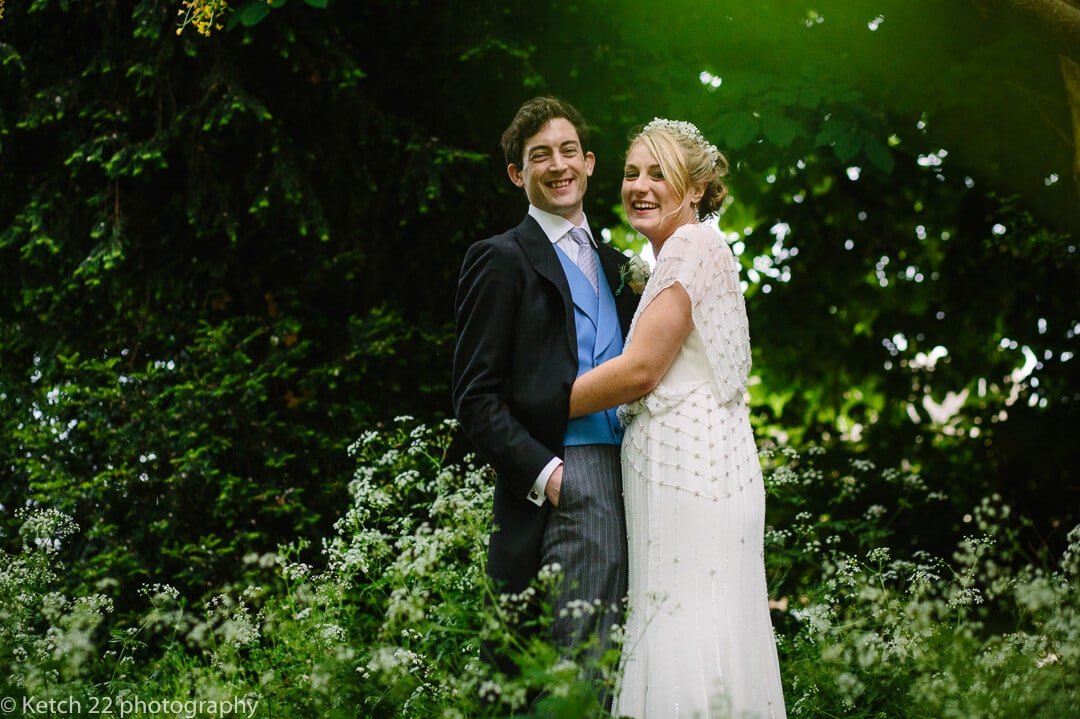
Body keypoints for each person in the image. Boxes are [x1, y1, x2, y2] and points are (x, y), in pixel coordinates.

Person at [568, 119, 787, 718]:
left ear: (694, 189)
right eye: (632, 172)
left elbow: (641, 370)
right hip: (689, 471)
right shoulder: (679, 255)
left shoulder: (693, 245)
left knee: (683, 627)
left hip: (692, 476)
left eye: (658, 173)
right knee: (691, 624)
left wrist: (533, 401)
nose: (639, 185)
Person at [451, 97, 641, 694]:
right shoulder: (501, 259)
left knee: (622, 662)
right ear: (518, 175)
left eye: (567, 152)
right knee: (568, 675)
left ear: (588, 163)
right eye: (539, 157)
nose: (556, 166)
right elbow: (475, 397)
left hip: (639, 480)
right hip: (567, 476)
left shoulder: (621, 267)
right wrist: (549, 475)